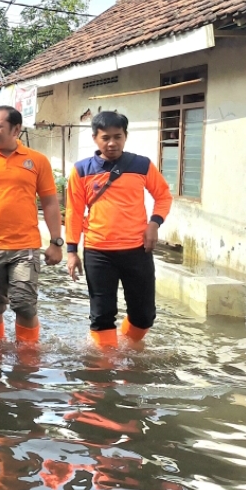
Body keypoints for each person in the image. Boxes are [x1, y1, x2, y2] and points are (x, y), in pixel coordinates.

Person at [65, 111, 172, 347]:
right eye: (105, 138)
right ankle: (104, 368)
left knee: (144, 316)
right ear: (95, 138)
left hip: (137, 250)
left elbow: (163, 196)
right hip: (98, 252)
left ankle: (127, 345)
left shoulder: (141, 165)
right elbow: (73, 212)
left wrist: (154, 223)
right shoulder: (82, 170)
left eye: (117, 136)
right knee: (102, 315)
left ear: (125, 136)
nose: (112, 143)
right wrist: (72, 251)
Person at [0, 106, 62, 343]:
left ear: (16, 129)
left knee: (25, 305)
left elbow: (50, 203)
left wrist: (56, 241)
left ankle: (26, 360)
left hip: (25, 247)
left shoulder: (37, 161)